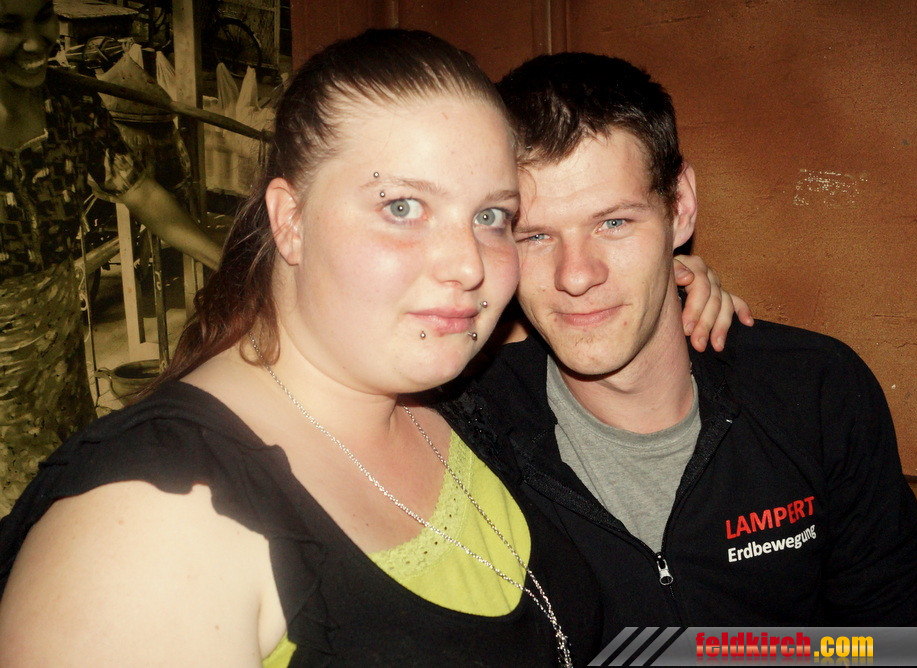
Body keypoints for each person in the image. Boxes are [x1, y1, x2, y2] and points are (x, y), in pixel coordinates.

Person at [0, 28, 749, 665]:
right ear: (290, 220)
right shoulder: (150, 524)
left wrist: (662, 279)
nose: (467, 263)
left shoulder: (462, 398)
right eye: (402, 206)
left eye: (492, 217)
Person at [471, 52, 917, 639]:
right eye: (535, 235)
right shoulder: (469, 424)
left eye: (614, 223)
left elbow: (897, 642)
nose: (577, 275)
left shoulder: (816, 390)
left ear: (681, 206)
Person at [0, 0, 222, 515]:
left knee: (65, 472)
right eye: (8, 25)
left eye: (41, 16)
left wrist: (230, 263)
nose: (35, 41)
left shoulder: (69, 102)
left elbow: (138, 191)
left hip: (58, 341)